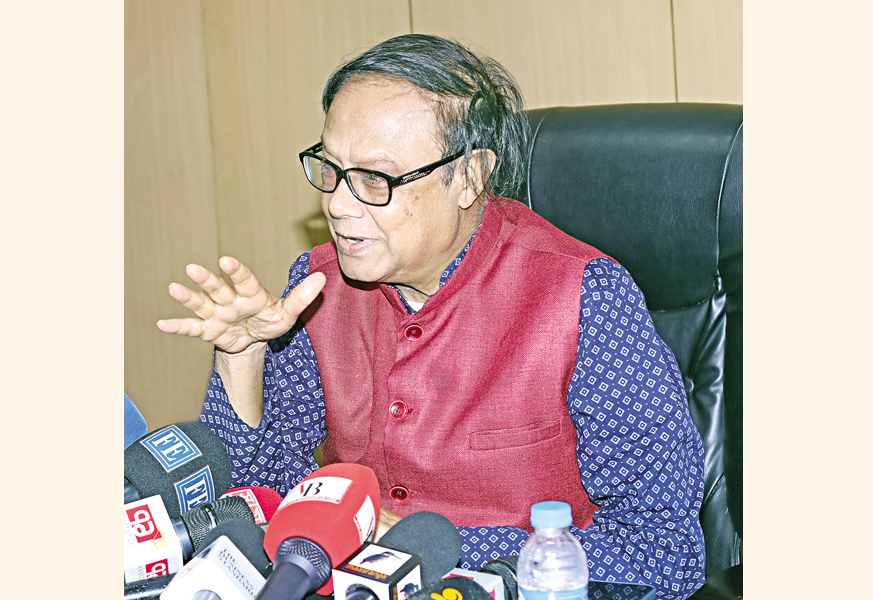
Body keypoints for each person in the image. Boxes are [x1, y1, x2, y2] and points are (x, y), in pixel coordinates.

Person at [158, 34, 706, 600]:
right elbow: (263, 507)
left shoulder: (584, 297)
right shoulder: (318, 286)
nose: (338, 205)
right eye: (330, 168)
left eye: (377, 179)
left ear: (469, 176)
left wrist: (426, 546)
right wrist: (241, 358)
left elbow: (665, 551)